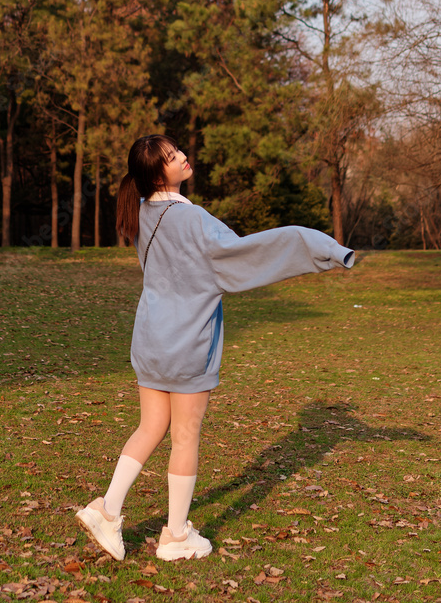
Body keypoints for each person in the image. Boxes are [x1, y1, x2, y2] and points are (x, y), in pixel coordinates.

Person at [76, 134, 355, 562]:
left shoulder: (141, 213)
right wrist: (322, 248)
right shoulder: (194, 220)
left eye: (178, 151)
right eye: (172, 157)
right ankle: (174, 536)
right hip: (187, 343)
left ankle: (107, 509)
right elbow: (246, 255)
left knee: (150, 427)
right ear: (156, 173)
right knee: (185, 435)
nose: (184, 157)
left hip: (150, 341)